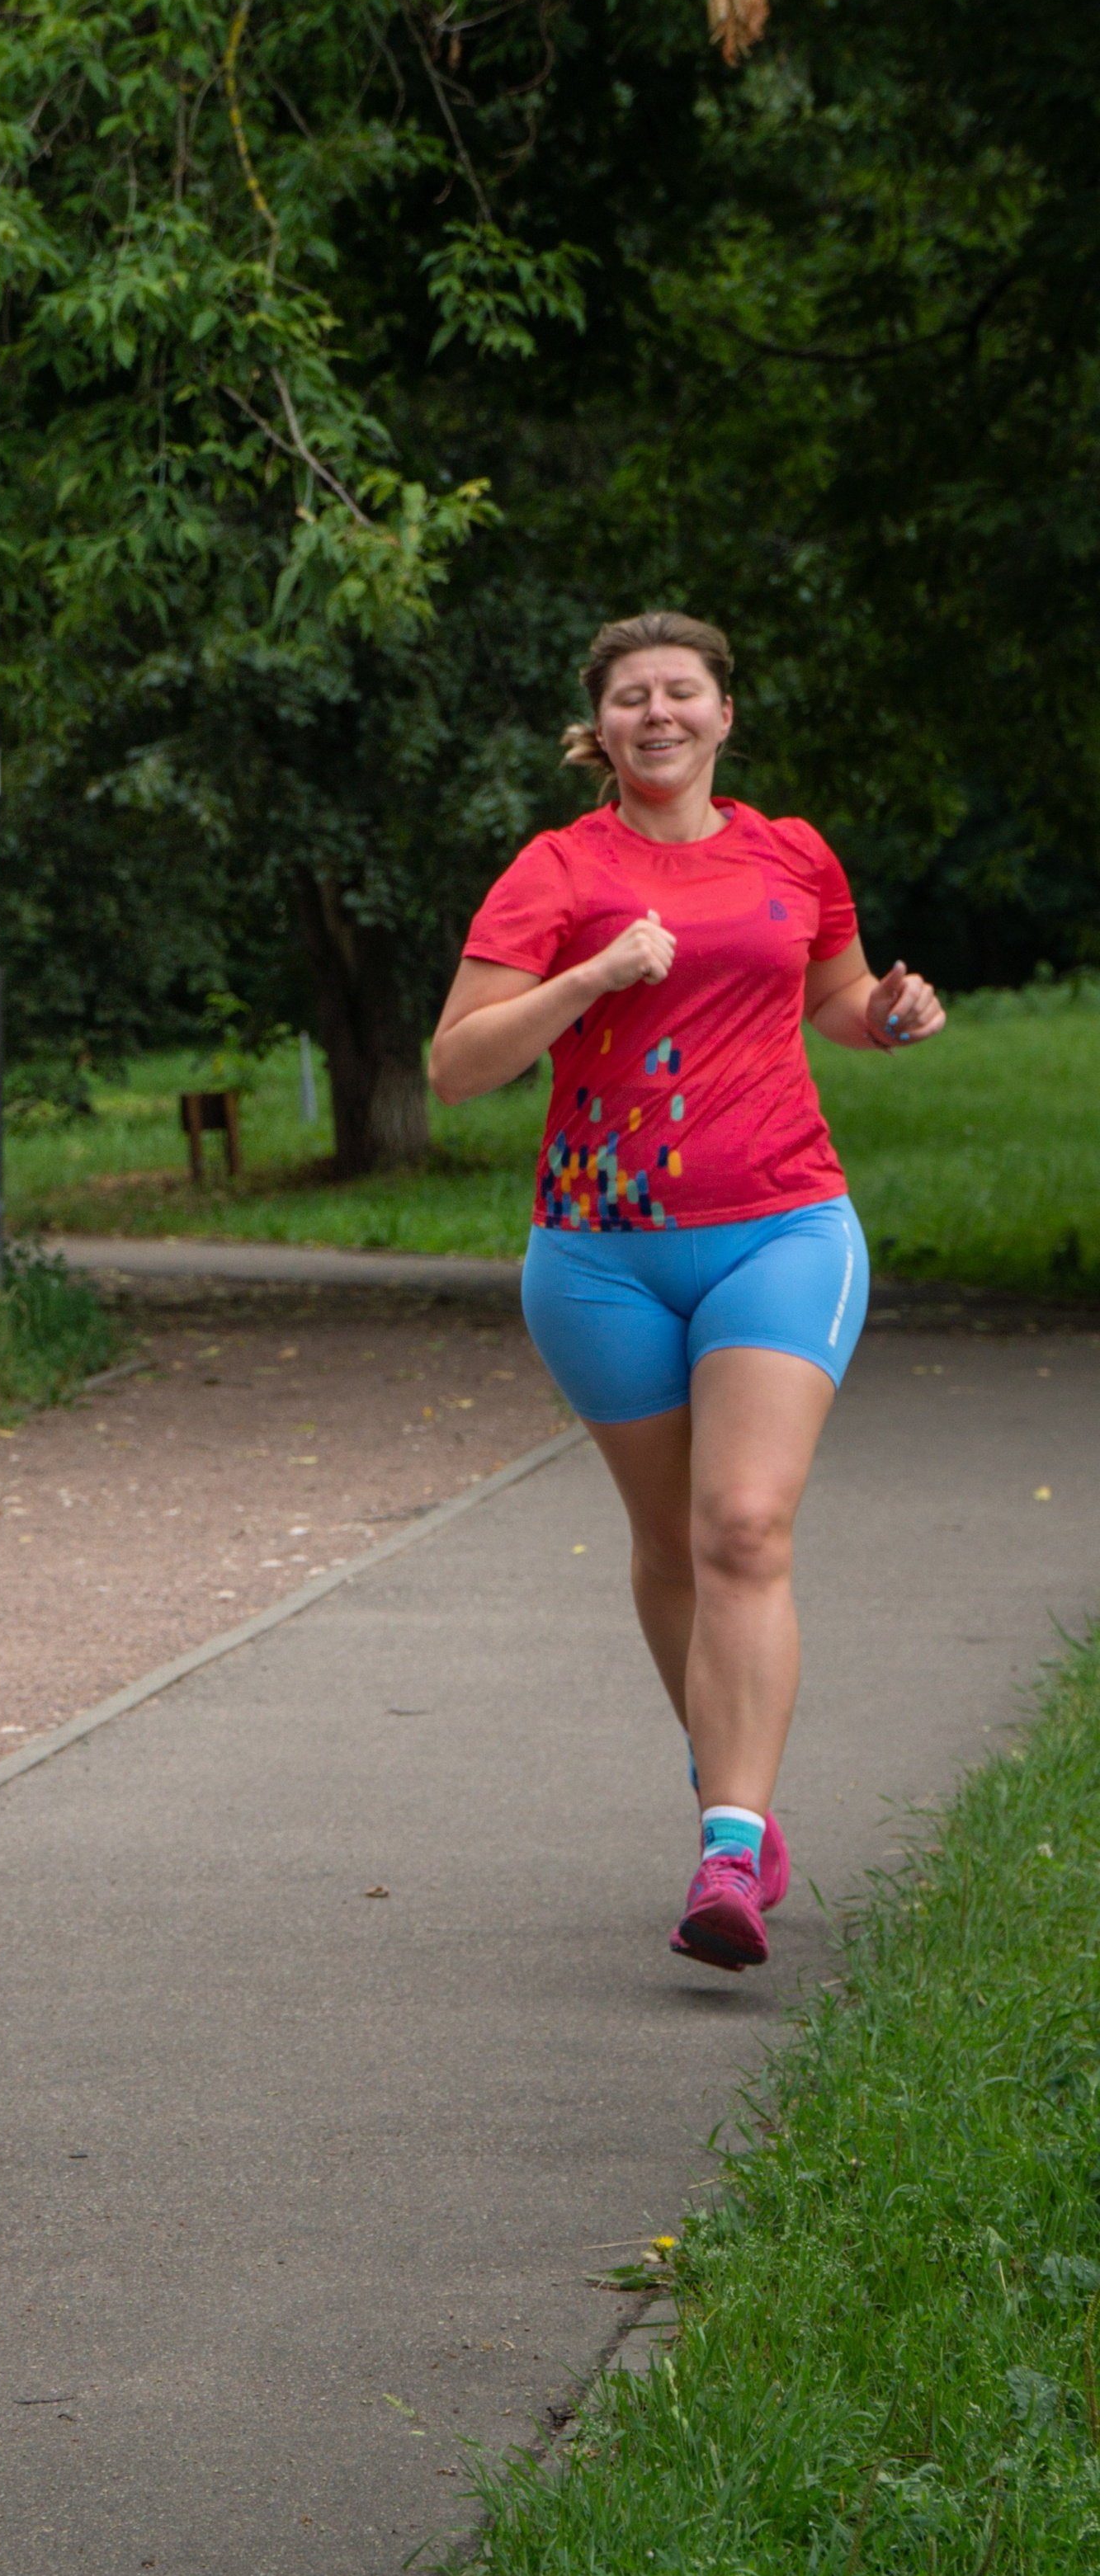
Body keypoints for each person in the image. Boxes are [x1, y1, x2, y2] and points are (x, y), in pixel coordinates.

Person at [428, 613, 944, 1973]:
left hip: (781, 1224)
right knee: (670, 1544)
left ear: (724, 713)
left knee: (745, 1525)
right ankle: (737, 1796)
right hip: (601, 1253)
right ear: (598, 730)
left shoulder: (794, 853)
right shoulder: (555, 870)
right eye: (630, 698)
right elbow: (458, 1065)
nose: (658, 713)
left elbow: (831, 1000)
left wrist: (886, 1014)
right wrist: (592, 976)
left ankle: (728, 1842)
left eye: (683, 692)